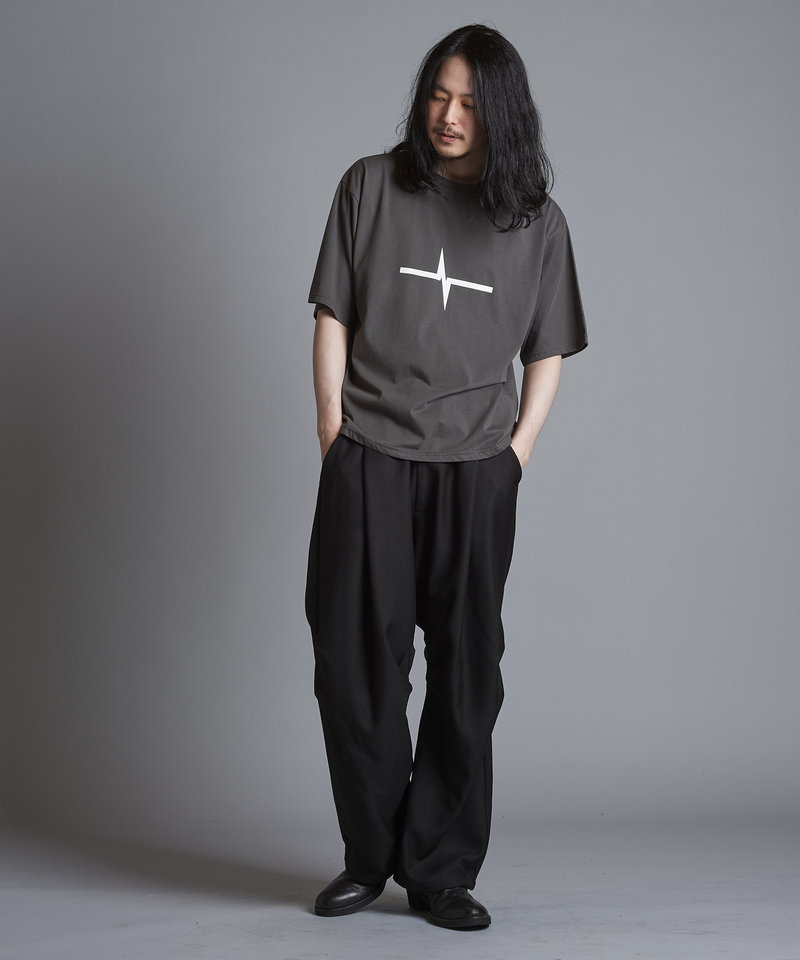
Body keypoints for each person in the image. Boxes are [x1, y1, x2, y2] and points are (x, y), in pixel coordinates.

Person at [304, 23, 587, 930]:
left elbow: (548, 350)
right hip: (370, 457)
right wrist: (333, 433)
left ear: (501, 111)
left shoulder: (536, 221)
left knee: (468, 676)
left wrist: (516, 455)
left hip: (476, 468)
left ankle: (441, 871)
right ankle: (370, 857)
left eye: (468, 101)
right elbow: (333, 312)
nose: (448, 115)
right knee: (354, 669)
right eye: (437, 94)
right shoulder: (369, 186)